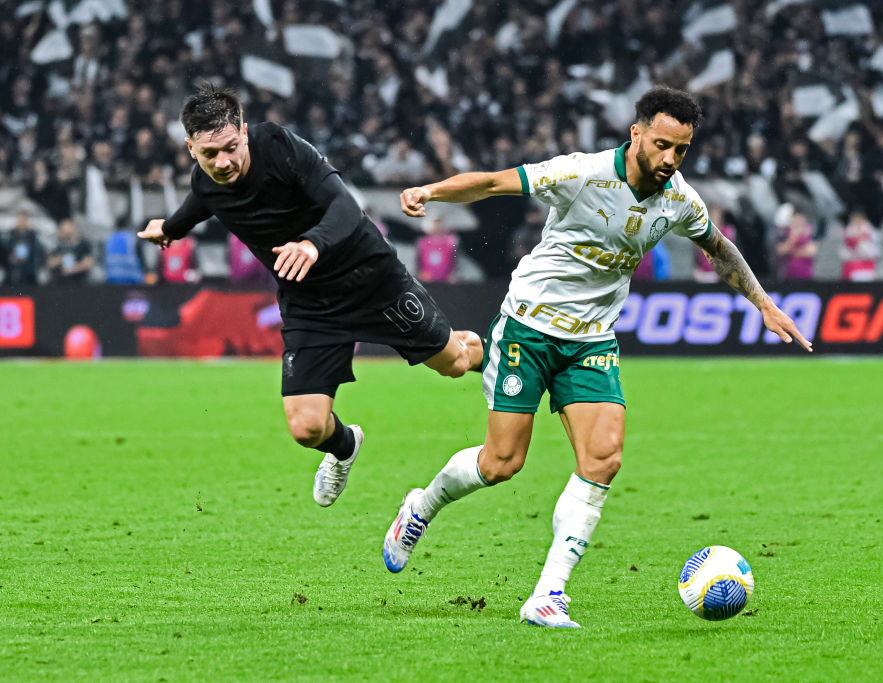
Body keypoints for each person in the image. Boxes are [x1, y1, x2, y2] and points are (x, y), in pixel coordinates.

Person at [382, 86, 812, 628]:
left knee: (603, 458)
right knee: (501, 463)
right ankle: (421, 507)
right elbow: (493, 183)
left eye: (681, 149)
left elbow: (718, 247)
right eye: (661, 145)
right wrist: (431, 190)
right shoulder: (581, 172)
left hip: (591, 342)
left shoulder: (680, 199)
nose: (670, 159)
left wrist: (764, 304)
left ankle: (548, 594)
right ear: (636, 134)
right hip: (528, 328)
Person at [137, 84, 482, 506]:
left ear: (244, 131)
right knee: (306, 428)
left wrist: (312, 244)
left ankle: (497, 353)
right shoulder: (207, 182)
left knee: (455, 363)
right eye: (210, 154)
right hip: (311, 302)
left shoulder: (280, 147)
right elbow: (199, 203)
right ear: (191, 149)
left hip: (371, 279)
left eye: (230, 147)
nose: (223, 162)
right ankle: (345, 447)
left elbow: (346, 207)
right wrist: (168, 229)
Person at [2, 210, 45, 287]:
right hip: (11, 275)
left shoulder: (34, 237)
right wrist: (10, 257)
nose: (21, 222)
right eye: (20, 220)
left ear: (27, 221)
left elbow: (39, 255)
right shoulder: (9, 236)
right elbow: (3, 253)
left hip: (29, 275)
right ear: (16, 220)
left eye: (24, 220)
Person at [47, 218, 95, 284]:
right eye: (62, 230)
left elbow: (89, 264)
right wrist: (60, 260)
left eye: (66, 231)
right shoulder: (58, 246)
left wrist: (74, 268)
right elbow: (49, 263)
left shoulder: (83, 245)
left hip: (79, 283)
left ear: (73, 228)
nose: (64, 233)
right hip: (59, 283)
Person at [839, 208, 881, 281]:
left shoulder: (871, 232)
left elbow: (874, 251)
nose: (856, 223)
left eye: (858, 220)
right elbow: (844, 253)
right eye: (854, 220)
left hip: (867, 266)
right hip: (851, 267)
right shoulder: (848, 232)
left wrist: (861, 242)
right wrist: (853, 243)